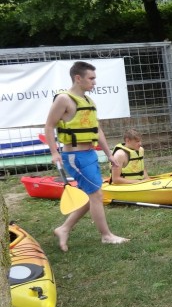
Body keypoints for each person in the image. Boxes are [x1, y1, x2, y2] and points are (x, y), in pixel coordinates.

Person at [44, 61, 129, 252]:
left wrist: (109, 154)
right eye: (91, 78)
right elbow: (49, 126)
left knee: (91, 195)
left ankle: (64, 228)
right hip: (75, 156)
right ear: (78, 78)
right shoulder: (64, 99)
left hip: (89, 154)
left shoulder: (89, 101)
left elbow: (97, 130)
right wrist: (54, 152)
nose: (94, 82)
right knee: (96, 194)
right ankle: (106, 236)